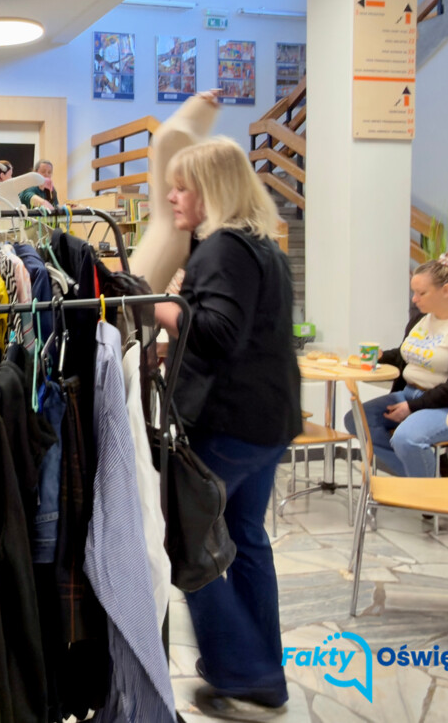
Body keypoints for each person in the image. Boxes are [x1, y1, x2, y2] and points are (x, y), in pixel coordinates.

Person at [153, 110, 301, 720]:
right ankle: (261, 673)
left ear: (209, 190)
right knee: (243, 541)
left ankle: (245, 673)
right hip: (265, 424)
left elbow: (215, 334)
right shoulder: (262, 247)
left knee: (193, 545)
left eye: (181, 187)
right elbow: (241, 334)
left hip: (228, 427)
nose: (171, 197)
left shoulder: (222, 248)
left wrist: (156, 305)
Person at [343, 252, 448, 478]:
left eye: (421, 293)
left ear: (446, 291)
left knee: (406, 438)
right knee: (355, 420)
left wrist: (413, 407)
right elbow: (408, 355)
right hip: (409, 395)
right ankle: (428, 479)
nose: (414, 299)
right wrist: (381, 356)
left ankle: (426, 488)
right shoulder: (421, 319)